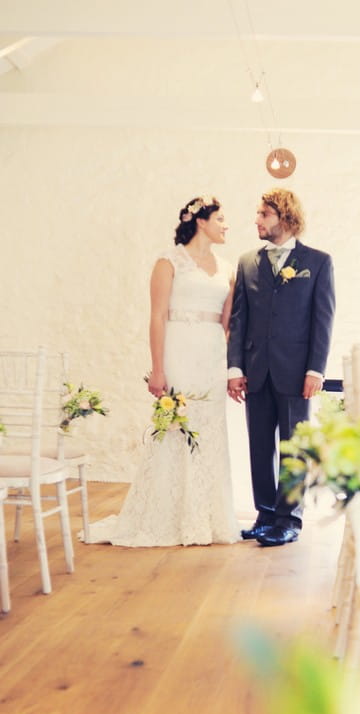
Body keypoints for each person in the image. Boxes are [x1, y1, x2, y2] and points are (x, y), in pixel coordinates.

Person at [84, 195, 240, 546]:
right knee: (175, 428)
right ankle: (167, 515)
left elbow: (228, 323)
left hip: (211, 357)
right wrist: (158, 370)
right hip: (178, 351)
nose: (226, 225)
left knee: (209, 432)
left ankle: (208, 517)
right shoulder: (168, 262)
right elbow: (157, 316)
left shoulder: (228, 268)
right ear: (201, 220)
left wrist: (226, 366)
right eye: (221, 218)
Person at [227, 188, 336, 547]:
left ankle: (289, 519)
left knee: (293, 449)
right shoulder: (246, 263)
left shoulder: (318, 262)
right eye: (258, 214)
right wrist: (235, 368)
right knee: (259, 446)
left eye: (263, 214)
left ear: (286, 218)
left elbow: (323, 319)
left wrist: (315, 371)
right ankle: (265, 514)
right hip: (256, 371)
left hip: (296, 373)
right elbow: (239, 320)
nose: (256, 220)